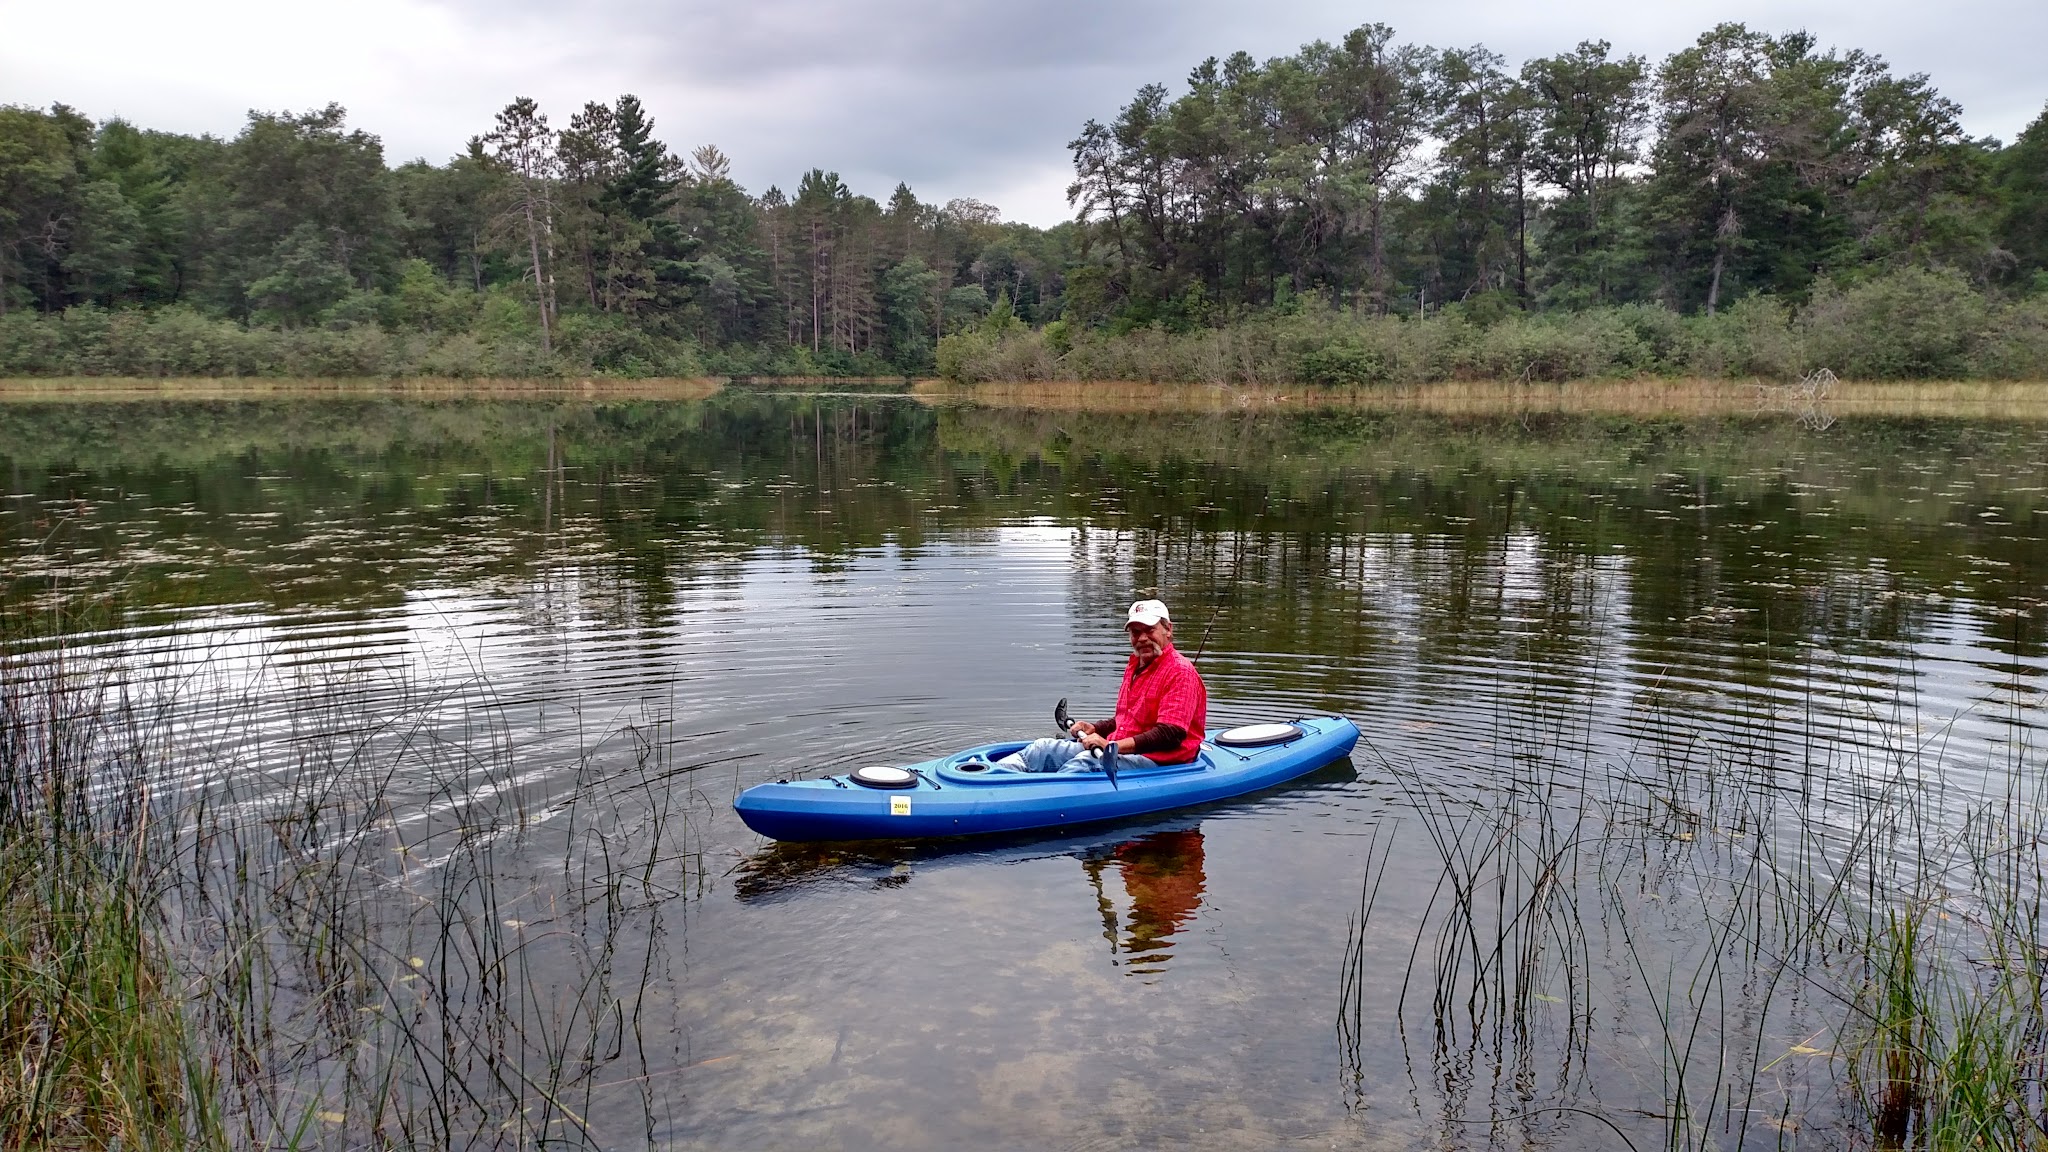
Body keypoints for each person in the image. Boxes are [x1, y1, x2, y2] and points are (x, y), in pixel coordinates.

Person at [999, 599, 1208, 774]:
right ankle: (995, 781)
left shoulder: (1180, 672)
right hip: (1122, 750)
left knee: (1083, 765)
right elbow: (1128, 719)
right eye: (1136, 632)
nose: (1142, 638)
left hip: (1160, 761)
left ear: (1168, 630)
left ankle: (1034, 802)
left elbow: (1170, 734)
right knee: (1042, 749)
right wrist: (1096, 729)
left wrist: (1111, 746)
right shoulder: (1137, 665)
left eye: (1150, 630)